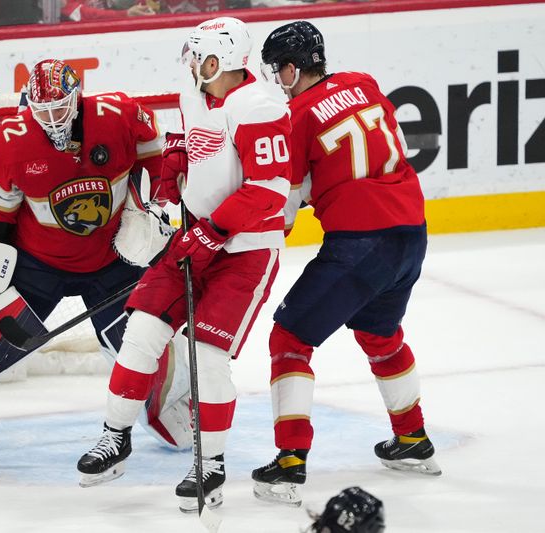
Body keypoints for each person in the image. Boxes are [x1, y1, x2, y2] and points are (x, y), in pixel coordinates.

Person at [77, 17, 292, 513]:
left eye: (200, 57)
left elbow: (269, 190)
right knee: (141, 332)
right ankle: (115, 439)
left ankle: (210, 464)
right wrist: (172, 177)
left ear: (223, 61)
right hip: (197, 239)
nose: (191, 64)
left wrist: (213, 232)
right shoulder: (195, 95)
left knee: (208, 358)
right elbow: (191, 148)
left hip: (245, 252)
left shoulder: (259, 106)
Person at [0, 58, 193, 451]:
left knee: (143, 347)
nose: (52, 118)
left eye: (60, 106)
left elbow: (157, 156)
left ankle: (174, 414)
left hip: (114, 262)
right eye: (42, 110)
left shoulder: (118, 113)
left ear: (77, 96)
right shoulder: (12, 139)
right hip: (37, 267)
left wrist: (149, 205)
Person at [252, 20, 440, 506]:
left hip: (362, 243)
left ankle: (290, 463)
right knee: (379, 332)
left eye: (278, 70)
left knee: (289, 339)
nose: (276, 78)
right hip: (411, 235)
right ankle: (413, 438)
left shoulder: (295, 116)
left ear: (293, 69)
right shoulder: (362, 82)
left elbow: (287, 208)